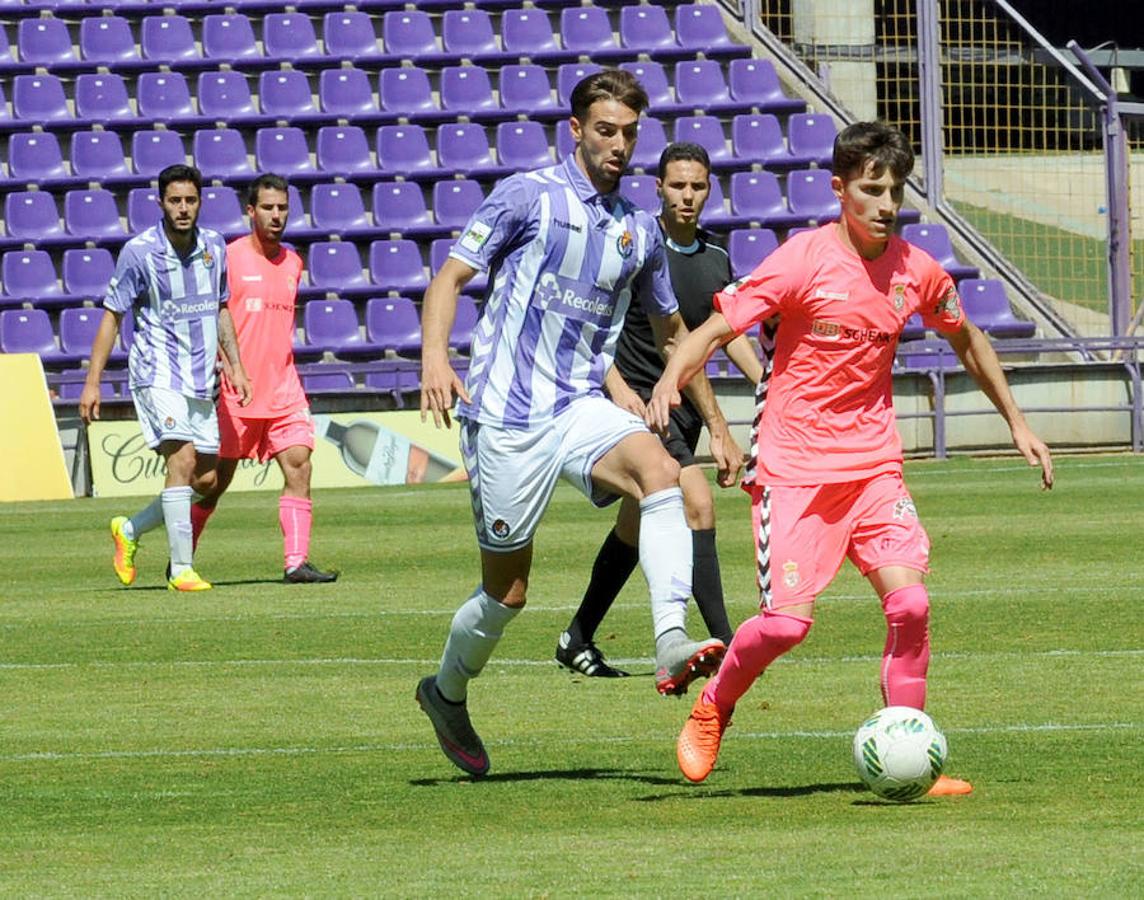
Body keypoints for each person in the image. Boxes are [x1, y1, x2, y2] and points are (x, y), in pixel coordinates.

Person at [648, 121, 1054, 796]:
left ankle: (912, 758)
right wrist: (669, 381)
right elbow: (719, 328)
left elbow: (968, 339)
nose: (886, 203)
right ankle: (714, 702)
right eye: (871, 189)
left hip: (872, 470)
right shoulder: (801, 260)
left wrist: (1018, 423)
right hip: (795, 473)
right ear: (840, 189)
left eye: (895, 190)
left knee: (913, 606)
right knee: (786, 624)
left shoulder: (916, 272)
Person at [415, 70, 744, 777]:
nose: (619, 145)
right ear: (576, 130)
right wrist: (435, 360)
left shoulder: (638, 229)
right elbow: (448, 279)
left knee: (661, 476)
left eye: (629, 133)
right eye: (606, 131)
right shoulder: (528, 197)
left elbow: (671, 330)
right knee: (508, 593)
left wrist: (697, 407)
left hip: (577, 405)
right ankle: (445, 692)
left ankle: (668, 641)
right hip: (504, 415)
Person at [555, 142, 765, 678]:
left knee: (637, 523)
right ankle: (726, 643)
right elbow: (602, 326)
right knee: (696, 504)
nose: (687, 196)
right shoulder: (637, 245)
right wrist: (621, 388)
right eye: (677, 186)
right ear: (659, 188)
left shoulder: (716, 258)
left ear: (709, 188)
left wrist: (767, 382)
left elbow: (724, 329)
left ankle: (577, 636)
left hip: (682, 406)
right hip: (639, 406)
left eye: (697, 186)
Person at [79, 164, 252, 592]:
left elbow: (222, 307)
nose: (183, 208)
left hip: (202, 379)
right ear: (160, 203)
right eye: (174, 200)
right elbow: (112, 316)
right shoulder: (140, 252)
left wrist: (236, 364)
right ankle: (180, 570)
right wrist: (92, 381)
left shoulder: (214, 247)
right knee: (183, 461)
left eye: (190, 200)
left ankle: (131, 531)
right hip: (158, 374)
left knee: (207, 480)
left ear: (200, 202)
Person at [189, 174, 338, 584]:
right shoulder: (228, 258)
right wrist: (225, 368)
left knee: (299, 466)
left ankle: (296, 563)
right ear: (250, 211)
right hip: (235, 390)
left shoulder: (293, 261)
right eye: (268, 208)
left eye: (283, 208)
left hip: (284, 388)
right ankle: (180, 559)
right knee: (211, 483)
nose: (277, 216)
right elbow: (211, 319)